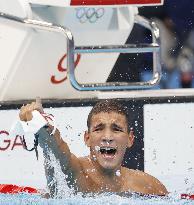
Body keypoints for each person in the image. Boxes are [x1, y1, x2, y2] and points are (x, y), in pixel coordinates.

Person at [19, 99, 168, 197]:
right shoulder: (75, 172)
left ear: (130, 139)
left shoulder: (150, 186)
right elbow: (58, 150)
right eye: (98, 129)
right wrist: (40, 123)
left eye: (116, 129)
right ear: (87, 138)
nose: (107, 137)